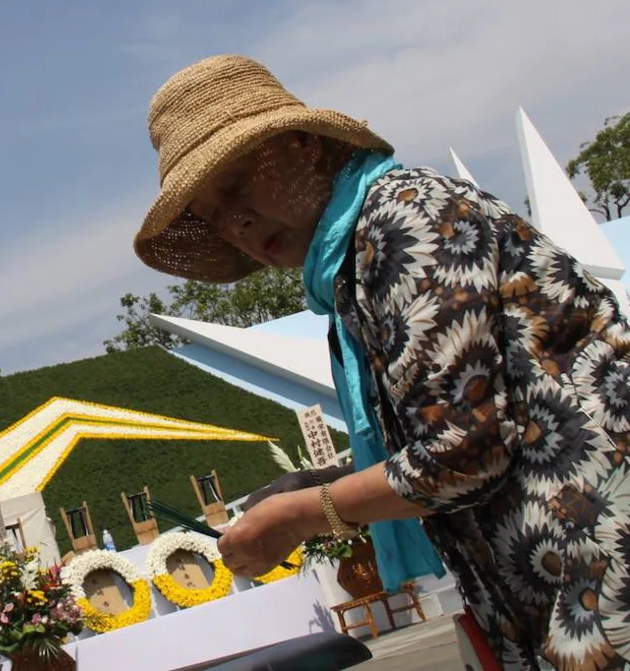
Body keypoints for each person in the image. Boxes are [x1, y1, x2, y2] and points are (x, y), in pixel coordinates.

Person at [133, 54, 630, 670]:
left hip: (601, 571)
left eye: (235, 184)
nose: (232, 222)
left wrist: (302, 514)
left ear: (304, 147)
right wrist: (312, 487)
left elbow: (464, 451)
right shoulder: (356, 271)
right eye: (210, 216)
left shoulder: (403, 217)